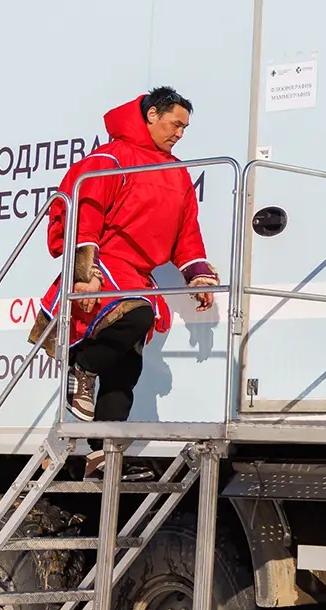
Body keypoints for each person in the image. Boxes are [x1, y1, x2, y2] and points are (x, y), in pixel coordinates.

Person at [29, 87, 218, 456]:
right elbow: (85, 212)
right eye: (175, 124)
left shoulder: (177, 173)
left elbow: (187, 233)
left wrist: (197, 274)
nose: (179, 133)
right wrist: (84, 271)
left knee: (127, 368)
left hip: (137, 274)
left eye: (184, 128)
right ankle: (81, 368)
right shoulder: (111, 159)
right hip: (106, 265)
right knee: (139, 315)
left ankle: (104, 451)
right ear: (151, 116)